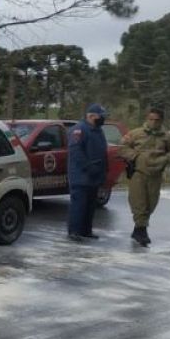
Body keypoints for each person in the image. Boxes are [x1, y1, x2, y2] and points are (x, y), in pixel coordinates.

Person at [118, 107, 170, 246]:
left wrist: (164, 159)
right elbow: (122, 148)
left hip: (156, 174)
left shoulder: (166, 136)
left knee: (151, 203)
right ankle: (141, 230)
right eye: (151, 119)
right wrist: (137, 156)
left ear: (161, 121)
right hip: (139, 172)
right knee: (138, 202)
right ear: (147, 119)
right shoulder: (135, 133)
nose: (153, 122)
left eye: (157, 120)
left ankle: (139, 228)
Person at [66, 103, 109, 242]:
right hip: (81, 174)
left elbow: (102, 152)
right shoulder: (79, 130)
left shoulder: (98, 130)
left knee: (90, 205)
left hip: (95, 175)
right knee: (79, 204)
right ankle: (74, 231)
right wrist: (88, 167)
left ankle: (86, 230)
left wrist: (102, 171)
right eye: (100, 116)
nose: (103, 119)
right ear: (91, 116)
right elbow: (76, 152)